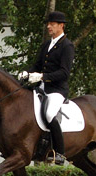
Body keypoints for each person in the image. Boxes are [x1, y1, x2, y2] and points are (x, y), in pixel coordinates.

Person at [18, 11, 75, 165]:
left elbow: (64, 73)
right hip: (41, 88)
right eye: (48, 24)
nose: (49, 26)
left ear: (61, 25)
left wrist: (42, 77)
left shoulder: (67, 46)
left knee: (49, 114)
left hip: (57, 90)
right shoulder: (46, 45)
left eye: (52, 24)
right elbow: (37, 65)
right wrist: (27, 73)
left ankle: (60, 154)